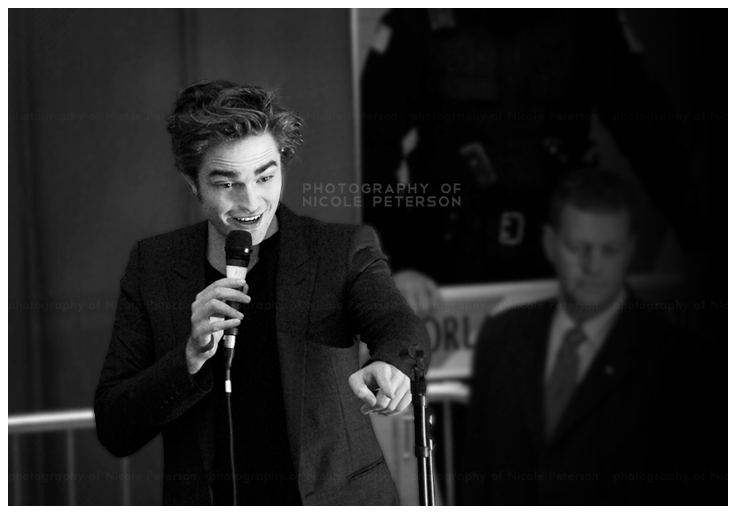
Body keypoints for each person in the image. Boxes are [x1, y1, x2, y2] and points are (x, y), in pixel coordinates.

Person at [94, 80, 430, 506]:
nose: (251, 201)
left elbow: (399, 326)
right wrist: (189, 357)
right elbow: (115, 426)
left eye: (265, 176)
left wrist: (391, 365)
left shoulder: (338, 250)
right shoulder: (153, 267)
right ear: (193, 183)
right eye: (226, 184)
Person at [361, 8, 698, 312]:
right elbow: (369, 151)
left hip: (563, 261)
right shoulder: (417, 19)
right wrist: (396, 262)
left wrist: (701, 242)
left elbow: (653, 142)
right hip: (441, 268)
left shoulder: (588, 19)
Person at [464, 169, 702, 505]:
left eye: (610, 250)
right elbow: (477, 478)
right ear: (550, 243)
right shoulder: (501, 336)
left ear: (631, 249)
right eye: (577, 248)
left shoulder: (681, 360)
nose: (593, 266)